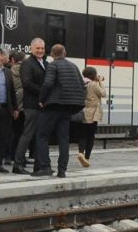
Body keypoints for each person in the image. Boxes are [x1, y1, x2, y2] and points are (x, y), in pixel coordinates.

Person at [35, 44, 86, 178]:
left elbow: (48, 83)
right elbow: (82, 85)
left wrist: (41, 99)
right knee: (63, 138)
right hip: (69, 108)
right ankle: (62, 170)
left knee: (41, 135)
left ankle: (45, 166)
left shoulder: (53, 65)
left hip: (54, 105)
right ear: (65, 53)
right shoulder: (73, 66)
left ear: (51, 54)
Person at [13, 39, 46, 174]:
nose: (40, 51)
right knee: (28, 134)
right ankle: (18, 164)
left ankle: (39, 164)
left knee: (39, 135)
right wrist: (44, 92)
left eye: (42, 48)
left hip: (41, 105)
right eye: (37, 48)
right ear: (31, 49)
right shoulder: (27, 63)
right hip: (32, 104)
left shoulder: (43, 63)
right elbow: (27, 83)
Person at [77, 66, 106, 167]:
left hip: (83, 112)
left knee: (83, 135)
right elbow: (103, 94)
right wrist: (100, 82)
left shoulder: (81, 83)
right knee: (91, 136)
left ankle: (81, 152)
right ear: (93, 75)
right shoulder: (93, 84)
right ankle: (87, 157)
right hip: (93, 113)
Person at [6, 50, 26, 165]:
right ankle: (17, 156)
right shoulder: (25, 71)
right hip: (23, 106)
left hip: (12, 106)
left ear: (13, 60)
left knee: (10, 132)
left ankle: (8, 156)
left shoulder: (8, 71)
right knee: (20, 133)